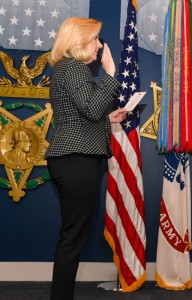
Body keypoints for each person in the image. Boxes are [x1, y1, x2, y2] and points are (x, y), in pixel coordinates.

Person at [45, 17, 127, 300]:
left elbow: (81, 116)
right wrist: (111, 73)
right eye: (95, 39)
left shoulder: (66, 68)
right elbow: (91, 110)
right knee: (73, 238)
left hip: (72, 157)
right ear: (79, 41)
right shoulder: (76, 68)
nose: (99, 45)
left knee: (73, 236)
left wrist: (109, 118)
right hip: (76, 159)